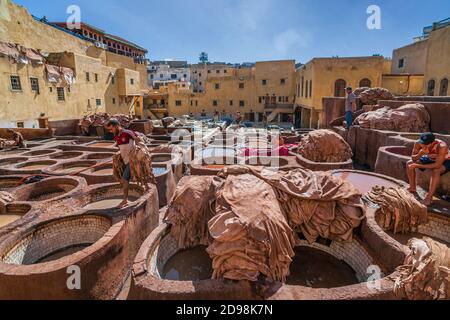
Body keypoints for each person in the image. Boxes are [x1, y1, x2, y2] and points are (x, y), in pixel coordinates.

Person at [105, 119, 142, 208]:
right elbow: (121, 147)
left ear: (116, 126)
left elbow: (138, 140)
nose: (110, 131)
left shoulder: (127, 132)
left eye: (111, 129)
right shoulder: (116, 136)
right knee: (124, 179)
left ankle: (125, 200)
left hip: (132, 160)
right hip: (125, 160)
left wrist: (137, 150)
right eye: (109, 130)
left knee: (125, 179)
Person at [407, 132, 450, 206]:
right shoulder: (418, 143)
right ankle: (412, 187)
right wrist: (420, 153)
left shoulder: (442, 146)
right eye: (422, 143)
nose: (423, 145)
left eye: (426, 144)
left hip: (446, 160)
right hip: (431, 158)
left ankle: (429, 198)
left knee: (436, 171)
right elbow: (413, 159)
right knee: (409, 163)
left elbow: (437, 165)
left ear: (432, 143)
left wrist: (418, 165)